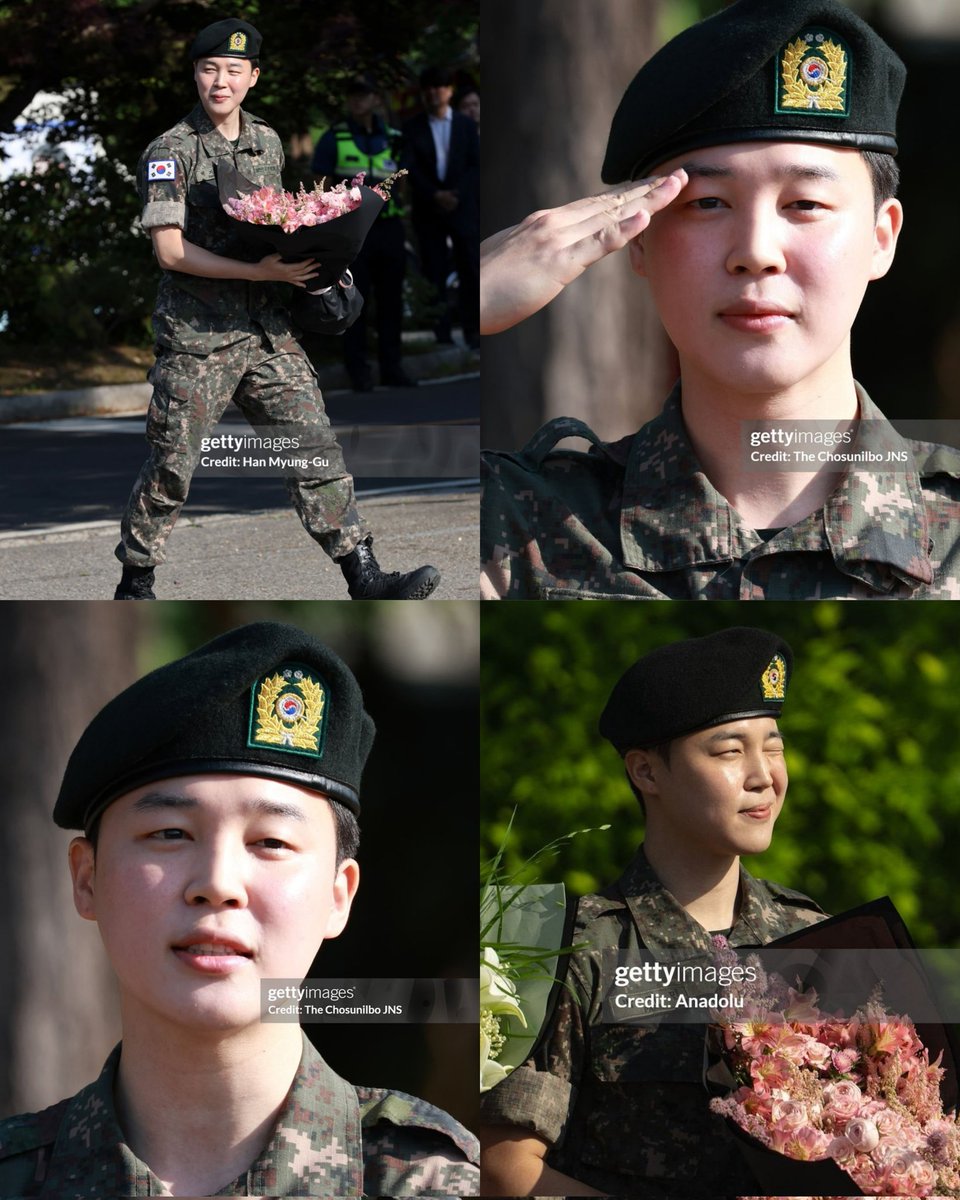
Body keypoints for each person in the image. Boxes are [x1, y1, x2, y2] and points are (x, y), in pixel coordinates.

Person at [480, 0, 960, 600]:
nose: (756, 252)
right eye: (707, 203)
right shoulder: (515, 526)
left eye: (804, 204)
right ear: (639, 239)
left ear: (881, 237)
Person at [0, 621, 479, 1197]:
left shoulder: (435, 1183)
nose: (218, 884)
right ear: (87, 879)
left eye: (271, 842)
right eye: (171, 833)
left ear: (338, 895)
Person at [480, 626, 828, 1197]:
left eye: (772, 745)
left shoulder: (816, 935)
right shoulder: (559, 944)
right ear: (646, 772)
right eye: (730, 750)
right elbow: (504, 1168)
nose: (764, 774)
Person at [115, 19, 440, 601]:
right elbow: (169, 251)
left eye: (234, 71)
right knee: (172, 466)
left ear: (253, 78)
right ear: (195, 73)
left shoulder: (265, 140)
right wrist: (257, 272)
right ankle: (136, 582)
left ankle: (362, 575)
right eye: (210, 69)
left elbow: (278, 223)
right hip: (200, 336)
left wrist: (317, 255)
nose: (220, 81)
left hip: (267, 331)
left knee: (311, 446)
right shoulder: (169, 151)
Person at [312, 74, 416, 391]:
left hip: (389, 228)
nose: (358, 101)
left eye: (364, 95)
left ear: (376, 99)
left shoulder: (396, 137)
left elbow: (405, 182)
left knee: (391, 301)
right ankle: (358, 371)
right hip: (352, 231)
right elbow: (320, 184)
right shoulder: (334, 137)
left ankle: (392, 368)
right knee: (354, 301)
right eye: (353, 96)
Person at [402, 66, 480, 350]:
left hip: (463, 206)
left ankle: (474, 330)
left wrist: (456, 193)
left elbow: (475, 164)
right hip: (429, 208)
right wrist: (435, 194)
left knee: (470, 267)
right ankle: (442, 332)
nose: (435, 93)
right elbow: (408, 166)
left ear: (449, 91)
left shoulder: (466, 125)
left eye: (441, 87)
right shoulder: (412, 127)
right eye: (430, 88)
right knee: (433, 269)